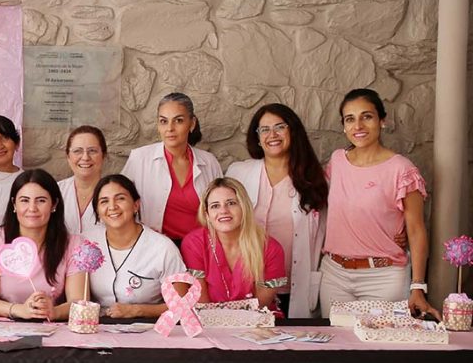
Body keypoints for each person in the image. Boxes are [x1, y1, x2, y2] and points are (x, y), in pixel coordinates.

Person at [319, 88, 438, 319]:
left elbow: (416, 230)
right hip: (334, 276)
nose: (358, 125)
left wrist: (417, 287)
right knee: (336, 341)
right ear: (343, 126)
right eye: (350, 119)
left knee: (380, 342)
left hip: (383, 279)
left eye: (367, 116)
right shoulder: (337, 160)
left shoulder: (402, 169)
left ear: (382, 120)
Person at [226, 103, 328, 318]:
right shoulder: (238, 173)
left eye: (280, 127)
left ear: (293, 131)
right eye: (264, 129)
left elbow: (331, 227)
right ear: (257, 137)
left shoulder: (314, 179)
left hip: (294, 284)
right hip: (248, 284)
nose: (272, 135)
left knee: (295, 337)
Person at [0, 169, 86, 321]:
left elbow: (79, 302)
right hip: (6, 327)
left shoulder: (74, 245)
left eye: (41, 200)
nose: (32, 208)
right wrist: (19, 310)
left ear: (54, 204)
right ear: (14, 204)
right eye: (24, 200)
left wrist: (54, 311)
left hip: (51, 327)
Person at [121, 92, 222, 244]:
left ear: (192, 124)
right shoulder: (140, 158)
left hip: (201, 246)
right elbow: (121, 200)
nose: (170, 128)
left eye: (178, 120)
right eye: (163, 121)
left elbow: (220, 206)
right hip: (156, 247)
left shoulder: (209, 162)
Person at [84, 174, 187, 319]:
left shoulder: (163, 248)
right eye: (104, 201)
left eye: (120, 198)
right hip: (97, 326)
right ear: (97, 211)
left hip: (148, 327)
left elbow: (181, 305)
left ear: (136, 205)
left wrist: (137, 310)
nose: (112, 207)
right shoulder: (86, 243)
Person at [181, 178, 287, 313]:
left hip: (257, 321)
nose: (223, 211)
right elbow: (202, 306)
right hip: (208, 321)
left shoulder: (270, 248)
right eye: (215, 206)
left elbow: (260, 306)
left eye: (231, 203)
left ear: (244, 207)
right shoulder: (194, 244)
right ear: (207, 214)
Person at [58, 125, 107, 236]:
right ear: (68, 156)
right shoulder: (56, 191)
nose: (85, 157)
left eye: (92, 151)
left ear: (103, 155)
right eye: (77, 151)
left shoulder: (114, 194)